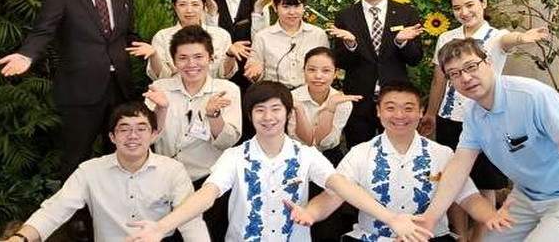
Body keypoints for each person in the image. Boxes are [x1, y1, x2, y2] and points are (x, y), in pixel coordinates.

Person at [126, 81, 434, 242]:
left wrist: (391, 218)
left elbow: (341, 186)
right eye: (259, 110)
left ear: (287, 114)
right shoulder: (235, 156)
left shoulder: (306, 154)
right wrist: (162, 226)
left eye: (276, 109)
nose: (268, 117)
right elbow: (207, 195)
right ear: (250, 116)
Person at [421, 38, 559, 242]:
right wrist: (430, 219)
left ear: (489, 62)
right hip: (527, 195)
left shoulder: (533, 95)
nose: (466, 78)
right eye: (454, 74)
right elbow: (459, 167)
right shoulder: (472, 112)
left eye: (471, 66)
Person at [285, 83, 513, 242]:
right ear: (378, 112)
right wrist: (310, 213)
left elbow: (468, 197)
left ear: (421, 112)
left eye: (408, 108)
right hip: (372, 238)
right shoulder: (360, 153)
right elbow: (333, 195)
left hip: (431, 238)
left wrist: (491, 216)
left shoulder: (442, 154)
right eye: (390, 108)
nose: (399, 115)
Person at [0, 0, 139, 179]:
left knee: (122, 156)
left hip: (120, 89)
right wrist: (26, 55)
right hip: (80, 91)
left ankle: (119, 202)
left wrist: (146, 46)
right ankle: (74, 206)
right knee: (76, 159)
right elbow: (43, 31)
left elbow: (126, 34)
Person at [419, 0, 549, 241]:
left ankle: (481, 238)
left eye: (470, 5)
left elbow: (510, 39)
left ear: (483, 3)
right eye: (457, 8)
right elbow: (438, 80)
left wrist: (522, 37)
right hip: (451, 119)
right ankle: (459, 235)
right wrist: (431, 113)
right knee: (454, 181)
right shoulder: (446, 38)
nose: (464, 12)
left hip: (487, 119)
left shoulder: (497, 36)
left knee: (486, 182)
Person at [1, 102, 209, 242]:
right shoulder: (90, 171)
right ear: (112, 137)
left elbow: (191, 222)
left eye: (141, 128)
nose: (133, 136)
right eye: (124, 129)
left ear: (154, 134)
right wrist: (20, 238)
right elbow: (55, 210)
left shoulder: (172, 170)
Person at [143, 25, 241, 241]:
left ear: (211, 58)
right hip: (165, 181)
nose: (191, 64)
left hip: (207, 182)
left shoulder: (227, 90)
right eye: (183, 58)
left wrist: (213, 115)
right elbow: (147, 139)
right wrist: (161, 109)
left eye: (198, 57)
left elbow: (227, 142)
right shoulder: (160, 88)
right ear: (173, 61)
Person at [329, 0, 423, 148]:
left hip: (395, 101)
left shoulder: (406, 13)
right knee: (359, 153)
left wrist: (401, 42)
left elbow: (415, 58)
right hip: (359, 100)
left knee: (397, 149)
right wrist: (351, 45)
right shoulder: (345, 16)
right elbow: (340, 62)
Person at [289, 46, 361, 241]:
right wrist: (300, 110)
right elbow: (307, 141)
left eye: (326, 70)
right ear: (303, 70)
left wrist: (329, 109)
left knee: (328, 225)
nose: (318, 76)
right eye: (311, 70)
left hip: (329, 158)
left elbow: (323, 142)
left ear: (335, 73)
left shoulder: (343, 101)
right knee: (294, 216)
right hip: (295, 160)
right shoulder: (291, 98)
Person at [134, 0, 240, 81]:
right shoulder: (162, 37)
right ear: (175, 7)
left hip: (215, 93)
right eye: (182, 5)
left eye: (195, 4)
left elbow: (225, 74)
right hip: (173, 94)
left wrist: (230, 55)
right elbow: (160, 77)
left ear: (204, 6)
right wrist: (154, 56)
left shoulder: (221, 36)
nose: (189, 10)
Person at [245, 0, 329, 89]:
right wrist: (255, 73)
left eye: (297, 6)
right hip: (274, 94)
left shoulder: (318, 35)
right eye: (285, 7)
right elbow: (253, 75)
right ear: (275, 7)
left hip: (309, 93)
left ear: (304, 6)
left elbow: (326, 69)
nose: (292, 12)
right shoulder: (262, 37)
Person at [207, 0, 271, 92]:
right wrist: (212, 14)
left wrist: (257, 13)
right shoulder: (209, 3)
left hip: (249, 73)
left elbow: (261, 41)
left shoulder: (258, 3)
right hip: (218, 74)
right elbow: (209, 40)